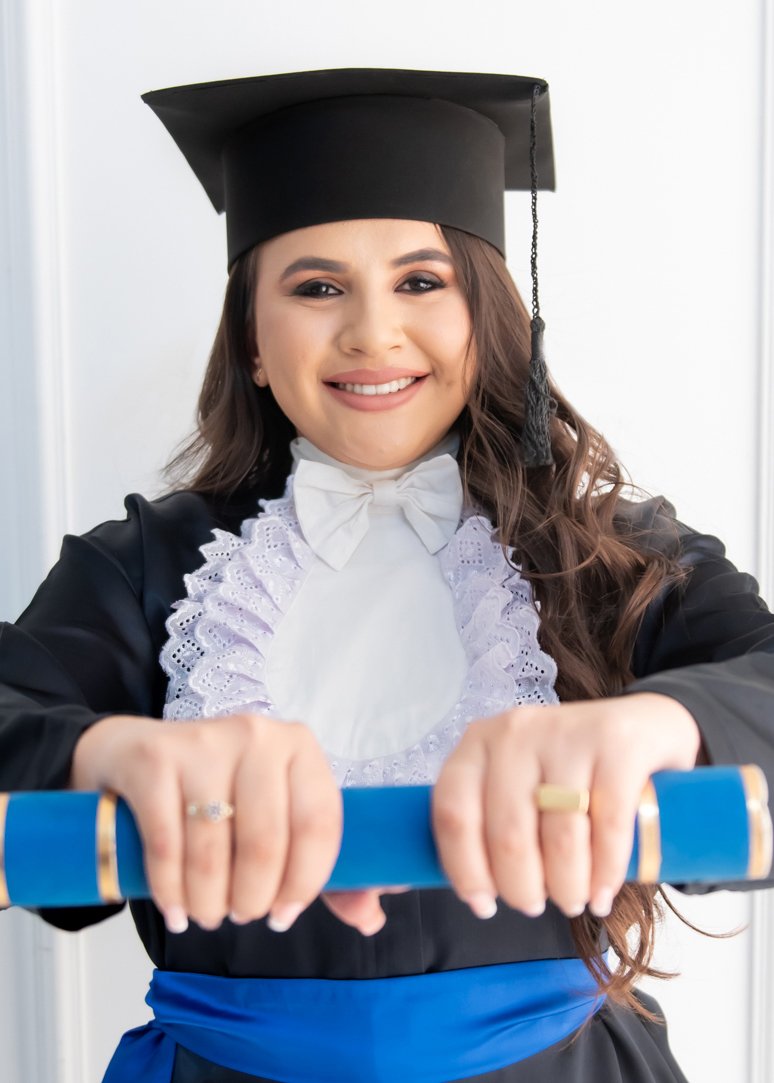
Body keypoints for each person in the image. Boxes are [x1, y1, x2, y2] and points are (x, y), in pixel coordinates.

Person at [1, 67, 774, 1083]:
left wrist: (661, 725)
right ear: (253, 343)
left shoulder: (613, 555)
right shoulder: (139, 569)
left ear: (487, 320)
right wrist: (109, 753)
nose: (372, 331)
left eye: (420, 282)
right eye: (317, 288)